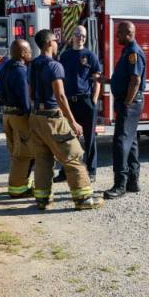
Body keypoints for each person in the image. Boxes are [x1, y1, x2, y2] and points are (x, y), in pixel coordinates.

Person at [28, 29, 103, 210]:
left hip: (36, 117)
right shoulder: (55, 66)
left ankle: (43, 200)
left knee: (43, 159)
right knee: (73, 155)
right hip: (52, 116)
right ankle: (83, 198)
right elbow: (60, 96)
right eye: (55, 40)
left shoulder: (33, 64)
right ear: (48, 44)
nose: (57, 43)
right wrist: (72, 121)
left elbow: (30, 91)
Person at [53, 26, 102, 183]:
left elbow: (97, 79)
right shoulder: (65, 56)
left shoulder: (90, 55)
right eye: (78, 35)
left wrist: (94, 100)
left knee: (90, 139)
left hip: (85, 101)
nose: (81, 37)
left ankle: (92, 170)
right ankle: (64, 171)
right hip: (69, 102)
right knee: (66, 138)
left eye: (83, 35)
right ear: (72, 37)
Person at [103, 21, 146, 200]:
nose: (117, 36)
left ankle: (120, 184)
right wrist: (106, 81)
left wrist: (127, 103)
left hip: (129, 103)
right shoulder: (127, 51)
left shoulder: (133, 53)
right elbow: (124, 78)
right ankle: (133, 182)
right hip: (129, 102)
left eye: (119, 33)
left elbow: (135, 80)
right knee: (132, 140)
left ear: (128, 33)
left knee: (120, 141)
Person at [0, 39, 34, 198]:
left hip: (7, 115)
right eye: (29, 51)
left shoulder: (4, 67)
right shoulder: (21, 71)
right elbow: (25, 98)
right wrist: (30, 115)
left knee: (14, 152)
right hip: (19, 116)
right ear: (23, 53)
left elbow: (0, 93)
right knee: (24, 154)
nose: (31, 54)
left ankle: (20, 184)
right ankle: (18, 189)